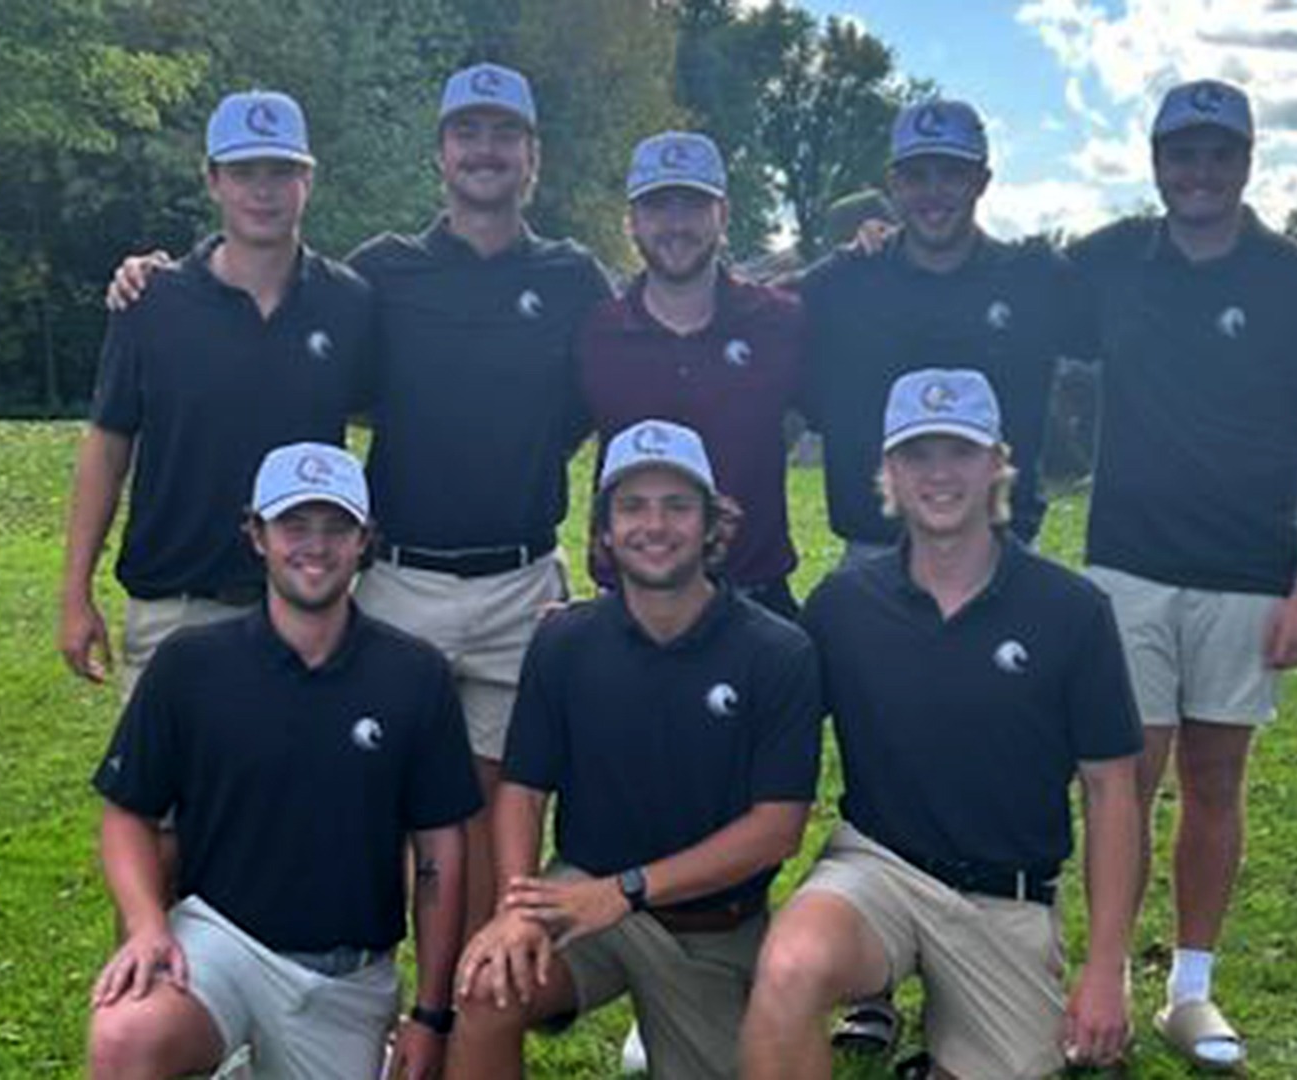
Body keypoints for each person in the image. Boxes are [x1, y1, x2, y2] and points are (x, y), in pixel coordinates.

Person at [102, 64, 613, 935]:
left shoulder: (576, 278)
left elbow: (600, 399)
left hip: (518, 584)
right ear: (440, 153)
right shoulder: (382, 275)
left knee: (485, 819)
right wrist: (161, 273)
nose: (484, 152)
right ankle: (335, 989)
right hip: (396, 578)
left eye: (503, 135)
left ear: (534, 157)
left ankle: (452, 1021)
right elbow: (305, 375)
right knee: (360, 797)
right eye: (467, 133)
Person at [1067, 78, 1297, 1072]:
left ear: (1246, 162)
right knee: (1119, 781)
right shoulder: (1107, 262)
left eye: (1217, 155)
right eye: (1181, 155)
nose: (1198, 173)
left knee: (1214, 780)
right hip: (1128, 565)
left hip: (1246, 571)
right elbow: (1000, 294)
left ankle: (1190, 989)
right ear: (1155, 163)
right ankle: (1100, 977)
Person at [741, 369, 1142, 1079]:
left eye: (959, 452)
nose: (939, 475)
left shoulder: (1072, 610)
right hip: (879, 868)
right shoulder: (842, 605)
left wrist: (1108, 967)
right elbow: (753, 707)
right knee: (789, 967)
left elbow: (1112, 791)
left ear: (997, 463)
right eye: (917, 455)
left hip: (1005, 897)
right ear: (889, 472)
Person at [85, 442, 478, 1080]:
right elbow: (128, 813)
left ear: (364, 541)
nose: (314, 546)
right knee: (126, 1035)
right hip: (220, 943)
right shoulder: (191, 665)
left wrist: (431, 1015)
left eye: (336, 528)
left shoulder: (414, 675)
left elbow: (439, 854)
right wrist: (148, 924)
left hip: (346, 977)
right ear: (256, 535)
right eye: (293, 524)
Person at [445, 420, 823, 1080]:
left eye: (677, 505)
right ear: (604, 531)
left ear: (712, 524)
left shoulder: (777, 651)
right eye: (633, 506)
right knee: (485, 985)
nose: (655, 525)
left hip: (708, 928)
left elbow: (777, 831)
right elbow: (524, 789)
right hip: (580, 893)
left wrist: (627, 891)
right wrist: (517, 906)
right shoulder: (565, 641)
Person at [59, 89, 373, 700]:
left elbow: (384, 411)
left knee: (299, 794)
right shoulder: (152, 302)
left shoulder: (349, 302)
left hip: (304, 602)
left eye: (281, 171)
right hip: (176, 608)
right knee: (168, 796)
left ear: (307, 179)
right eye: (243, 172)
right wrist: (75, 593)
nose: (263, 190)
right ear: (212, 180)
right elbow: (108, 444)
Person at [799, 99, 1093, 567]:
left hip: (1004, 554)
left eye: (951, 174)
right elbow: (749, 315)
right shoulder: (843, 283)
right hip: (876, 556)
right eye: (916, 176)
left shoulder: (1036, 279)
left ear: (981, 180)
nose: (933, 192)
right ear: (894, 183)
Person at [577, 131, 807, 617]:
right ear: (632, 221)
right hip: (628, 606)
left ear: (722, 214)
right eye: (659, 206)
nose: (676, 225)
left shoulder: (782, 321)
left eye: (693, 206)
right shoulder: (594, 333)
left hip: (755, 603)